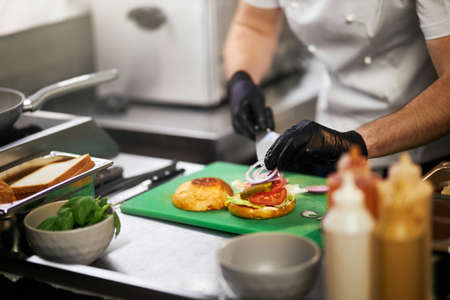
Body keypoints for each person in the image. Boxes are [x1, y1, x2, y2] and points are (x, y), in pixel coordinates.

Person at [224, 0, 450, 176]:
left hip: (419, 154)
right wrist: (241, 79)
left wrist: (357, 142)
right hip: (329, 143)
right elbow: (254, 25)